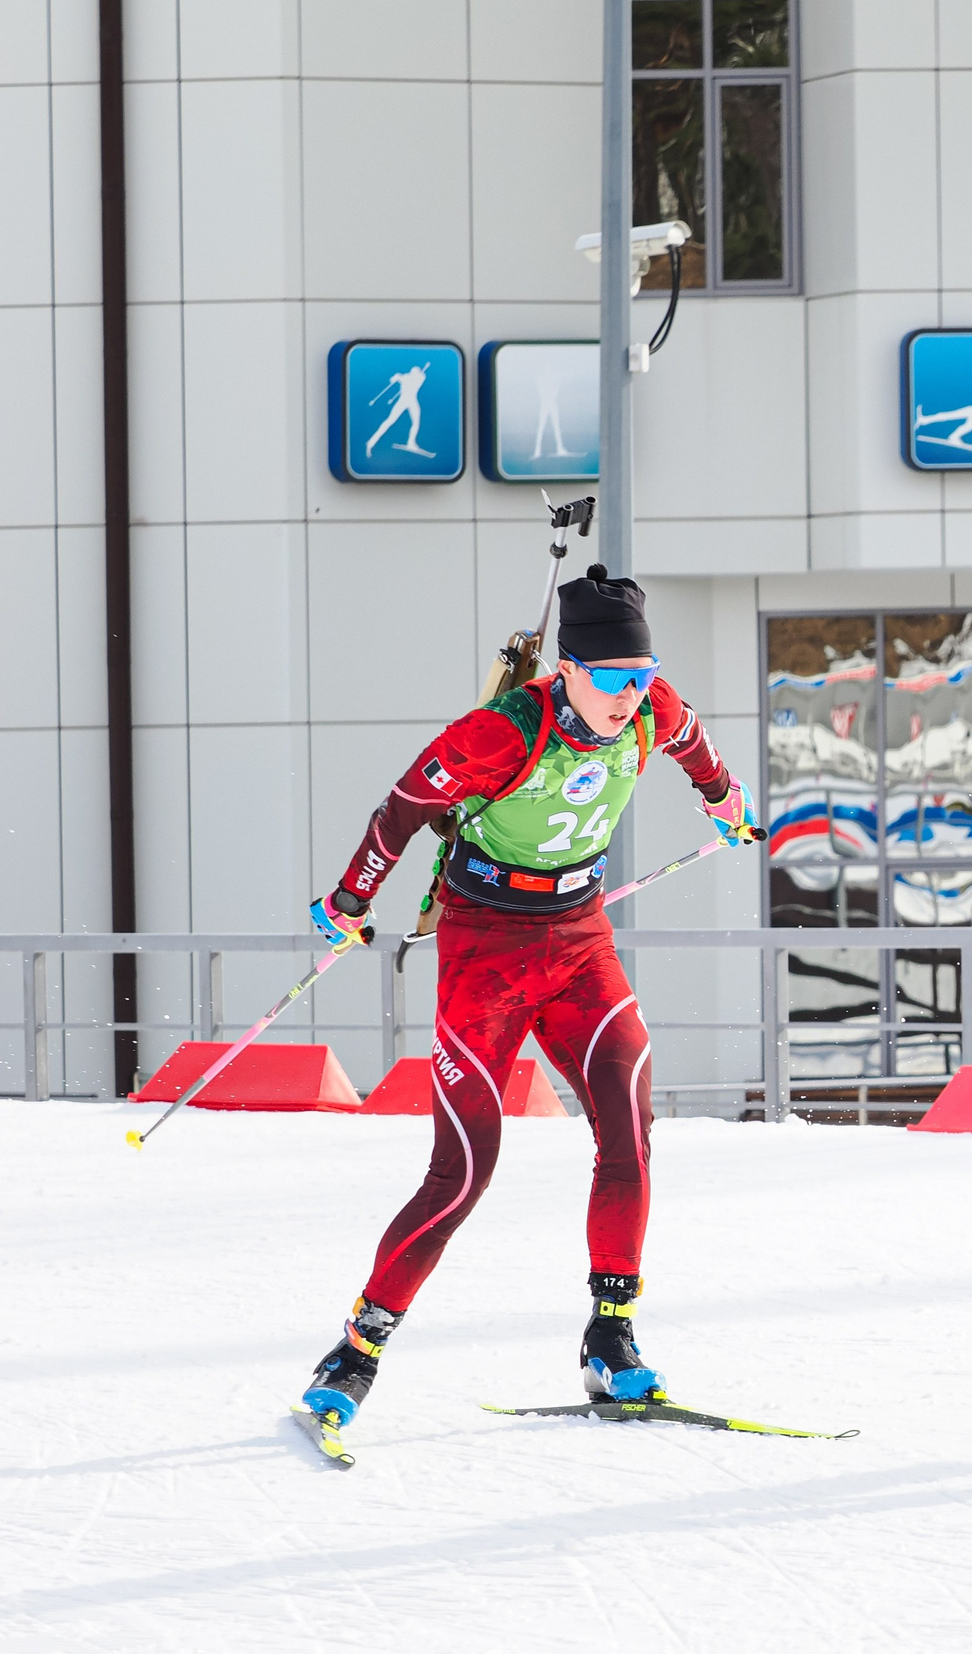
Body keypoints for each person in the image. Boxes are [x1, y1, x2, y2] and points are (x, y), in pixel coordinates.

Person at [298, 566, 760, 1433]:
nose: (633, 695)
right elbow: (401, 808)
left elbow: (698, 746)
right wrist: (350, 901)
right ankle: (358, 1347)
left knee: (629, 1121)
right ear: (571, 670)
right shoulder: (501, 732)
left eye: (643, 673)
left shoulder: (653, 707)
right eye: (614, 678)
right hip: (486, 949)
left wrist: (726, 804)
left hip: (580, 940)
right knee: (464, 1169)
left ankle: (610, 1336)